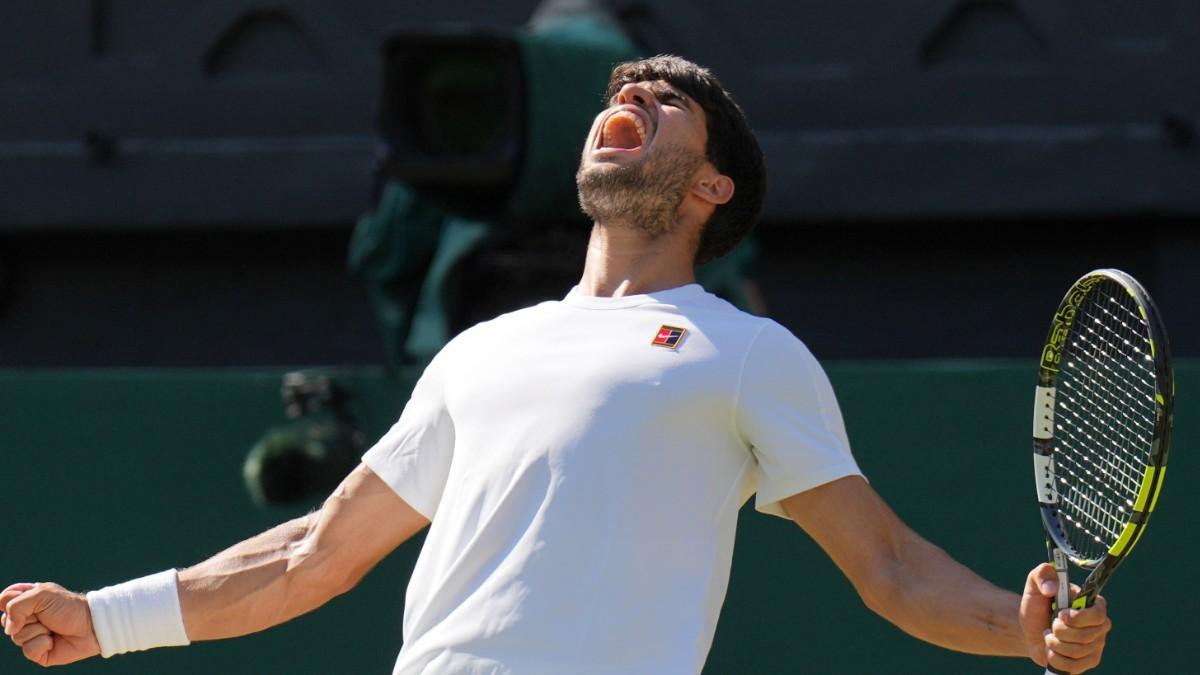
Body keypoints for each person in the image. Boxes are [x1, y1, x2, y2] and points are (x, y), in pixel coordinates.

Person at [1, 55, 1109, 674]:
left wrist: (1023, 629)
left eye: (663, 101)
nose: (624, 101)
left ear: (713, 186)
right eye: (617, 93)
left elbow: (893, 572)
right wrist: (108, 618)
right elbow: (312, 553)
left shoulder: (746, 356)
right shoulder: (479, 353)